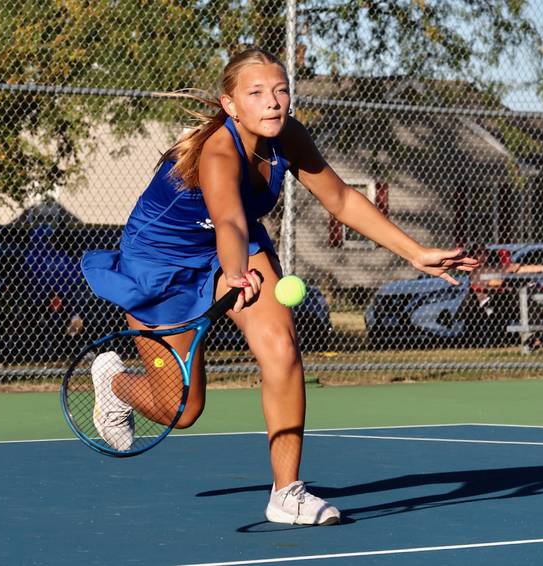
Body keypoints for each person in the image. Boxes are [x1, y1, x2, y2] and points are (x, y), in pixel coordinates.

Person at [82, 47, 479, 525]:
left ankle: (287, 493)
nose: (273, 102)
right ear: (230, 105)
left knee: (282, 346)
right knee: (182, 410)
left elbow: (342, 199)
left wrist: (415, 253)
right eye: (257, 93)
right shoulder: (218, 152)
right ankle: (114, 383)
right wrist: (232, 270)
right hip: (162, 263)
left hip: (235, 247)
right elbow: (228, 220)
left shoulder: (287, 136)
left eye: (281, 90)